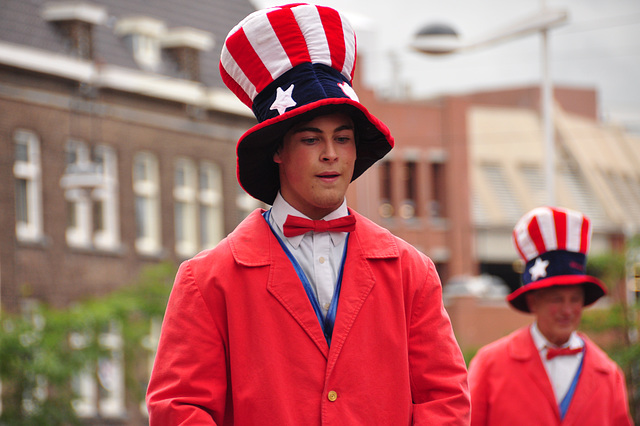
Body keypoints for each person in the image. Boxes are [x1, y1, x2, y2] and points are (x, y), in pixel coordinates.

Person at [146, 4, 470, 425]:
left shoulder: (412, 272)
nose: (331, 153)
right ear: (277, 150)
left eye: (343, 137)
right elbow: (179, 411)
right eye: (311, 138)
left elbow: (444, 401)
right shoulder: (208, 280)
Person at [468, 206, 632, 426]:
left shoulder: (608, 373)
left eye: (574, 299)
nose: (567, 310)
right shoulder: (490, 365)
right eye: (556, 299)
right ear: (533, 302)